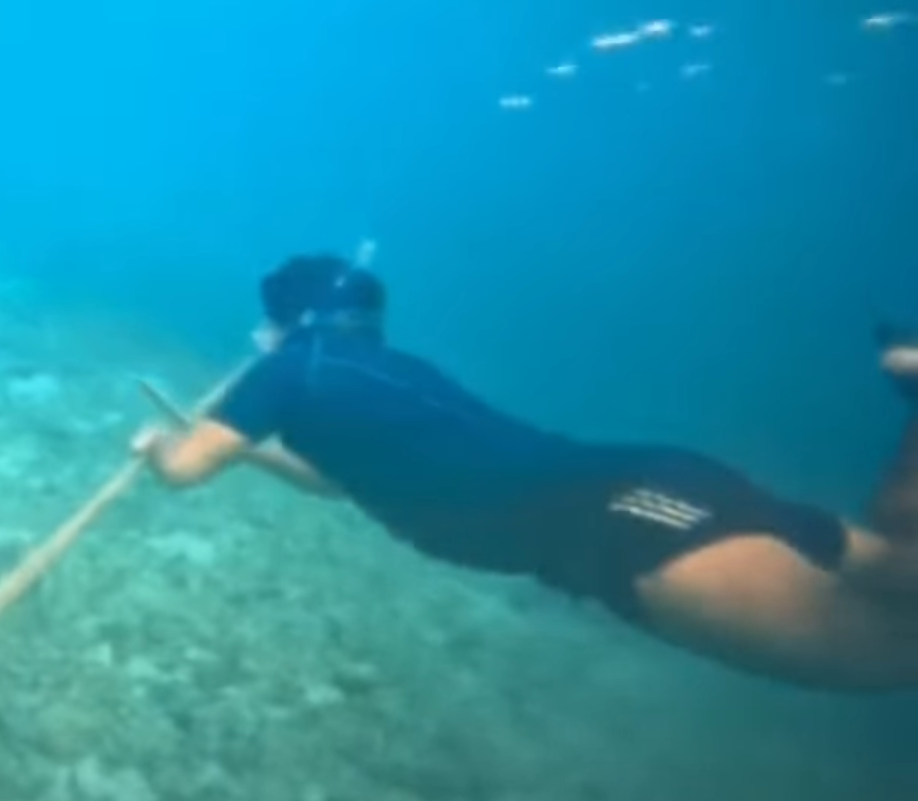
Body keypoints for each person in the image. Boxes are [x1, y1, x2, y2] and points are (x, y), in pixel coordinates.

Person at [129, 252, 918, 693]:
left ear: (282, 320)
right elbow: (337, 477)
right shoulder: (391, 368)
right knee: (897, 561)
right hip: (660, 482)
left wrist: (163, 449)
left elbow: (184, 472)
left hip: (626, 525)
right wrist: (244, 451)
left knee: (893, 658)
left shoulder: (283, 372)